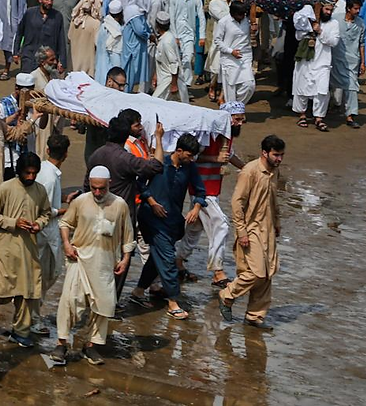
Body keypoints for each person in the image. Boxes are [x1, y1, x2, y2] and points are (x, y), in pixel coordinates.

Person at [50, 165, 134, 367]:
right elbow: (65, 224)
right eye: (94, 188)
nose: (97, 192)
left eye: (101, 189)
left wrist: (125, 259)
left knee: (104, 305)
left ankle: (90, 345)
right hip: (79, 259)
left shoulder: (120, 205)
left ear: (109, 184)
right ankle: (61, 343)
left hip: (105, 263)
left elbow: (128, 235)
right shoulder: (80, 201)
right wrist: (67, 244)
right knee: (70, 300)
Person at [83, 117, 164, 302]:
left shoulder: (96, 155)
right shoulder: (125, 159)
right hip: (120, 219)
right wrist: (159, 139)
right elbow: (157, 166)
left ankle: (93, 299)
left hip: (94, 215)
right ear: (126, 135)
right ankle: (110, 304)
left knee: (98, 259)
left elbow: (86, 187)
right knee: (120, 262)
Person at [129, 134, 205, 321]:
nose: (191, 159)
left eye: (193, 156)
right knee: (168, 258)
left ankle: (138, 291)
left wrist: (196, 207)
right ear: (178, 151)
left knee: (157, 257)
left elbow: (200, 191)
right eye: (188, 155)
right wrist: (152, 201)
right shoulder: (160, 164)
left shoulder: (190, 167)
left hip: (172, 220)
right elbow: (139, 183)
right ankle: (173, 301)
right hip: (151, 218)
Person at [219, 135, 285, 331]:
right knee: (255, 272)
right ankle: (227, 295)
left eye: (281, 155)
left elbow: (273, 200)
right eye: (276, 155)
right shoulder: (249, 171)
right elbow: (236, 202)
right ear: (264, 153)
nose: (279, 159)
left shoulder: (274, 172)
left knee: (267, 273)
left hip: (268, 229)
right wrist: (241, 231)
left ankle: (255, 316)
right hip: (251, 228)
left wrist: (277, 222)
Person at [0, 151, 51, 348]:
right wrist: (14, 222)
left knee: (27, 292)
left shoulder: (40, 190)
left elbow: (46, 213)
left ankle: (20, 332)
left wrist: (39, 224)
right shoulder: (6, 188)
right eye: (27, 173)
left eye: (34, 173)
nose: (30, 177)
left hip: (29, 250)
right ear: (19, 171)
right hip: (6, 248)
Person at [177, 102, 246, 288]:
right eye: (237, 119)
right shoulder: (207, 134)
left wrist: (249, 170)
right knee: (221, 225)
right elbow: (193, 157)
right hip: (202, 189)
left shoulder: (227, 137)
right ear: (226, 119)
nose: (241, 123)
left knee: (194, 229)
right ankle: (218, 271)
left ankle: (177, 262)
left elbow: (229, 156)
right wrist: (215, 159)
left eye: (242, 119)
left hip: (212, 188)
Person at [30, 133, 69, 336]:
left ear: (47, 150)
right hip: (44, 233)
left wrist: (62, 200)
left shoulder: (45, 171)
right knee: (45, 276)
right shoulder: (51, 177)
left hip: (45, 232)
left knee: (47, 275)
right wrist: (62, 211)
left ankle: (31, 315)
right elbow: (43, 209)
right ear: (66, 155)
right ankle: (32, 320)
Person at [293, 0, 341, 131]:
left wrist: (320, 31)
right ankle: (302, 115)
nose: (329, 12)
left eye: (331, 10)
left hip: (323, 62)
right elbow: (298, 36)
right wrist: (309, 30)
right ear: (320, 9)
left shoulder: (334, 23)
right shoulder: (308, 20)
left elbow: (334, 41)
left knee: (322, 90)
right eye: (326, 9)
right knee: (301, 88)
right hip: (305, 61)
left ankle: (319, 118)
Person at [13, 0, 67, 73]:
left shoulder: (57, 16)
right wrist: (16, 52)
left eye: (51, 0)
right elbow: (20, 33)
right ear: (40, 0)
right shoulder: (30, 13)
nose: (49, 2)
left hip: (48, 60)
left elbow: (61, 40)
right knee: (27, 82)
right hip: (29, 56)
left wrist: (62, 61)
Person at [331, 0, 366, 128]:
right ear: (348, 8)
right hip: (334, 58)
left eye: (359, 8)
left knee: (351, 87)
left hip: (352, 60)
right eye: (355, 8)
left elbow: (362, 43)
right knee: (328, 85)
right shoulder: (335, 19)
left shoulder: (361, 23)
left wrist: (363, 62)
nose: (357, 11)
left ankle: (350, 116)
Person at [214, 1, 255, 105]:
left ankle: (237, 107)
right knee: (231, 88)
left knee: (249, 85)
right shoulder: (224, 22)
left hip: (245, 57)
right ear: (233, 13)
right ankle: (233, 114)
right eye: (240, 14)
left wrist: (255, 30)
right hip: (229, 60)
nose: (242, 16)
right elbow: (217, 41)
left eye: (244, 14)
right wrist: (231, 51)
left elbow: (249, 36)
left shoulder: (247, 20)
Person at [153, 10, 187, 102]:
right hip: (163, 79)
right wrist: (156, 76)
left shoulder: (167, 42)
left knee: (156, 103)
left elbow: (174, 63)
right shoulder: (164, 38)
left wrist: (174, 84)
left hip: (168, 81)